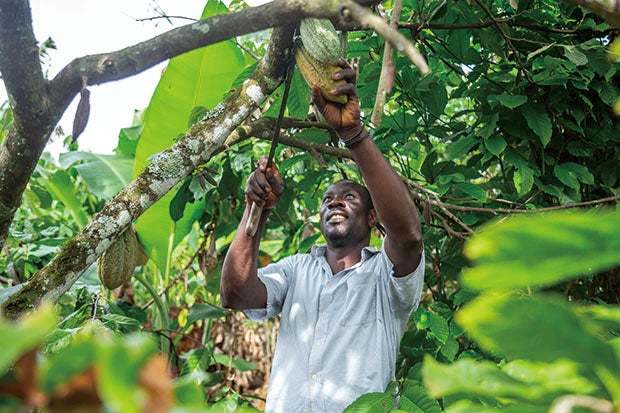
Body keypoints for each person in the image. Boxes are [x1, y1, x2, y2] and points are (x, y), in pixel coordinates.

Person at [220, 60, 425, 413]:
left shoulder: (384, 277)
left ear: (372, 217)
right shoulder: (297, 270)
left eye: (349, 197)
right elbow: (236, 293)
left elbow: (408, 236)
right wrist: (256, 208)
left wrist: (354, 134)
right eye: (327, 199)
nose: (335, 204)